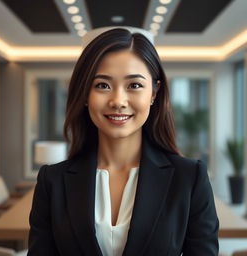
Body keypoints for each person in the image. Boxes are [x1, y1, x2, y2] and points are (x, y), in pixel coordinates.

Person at [27, 28, 219, 256]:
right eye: (102, 85)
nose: (118, 101)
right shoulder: (53, 181)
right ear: (85, 94)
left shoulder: (190, 178)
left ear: (154, 93)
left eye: (134, 85)